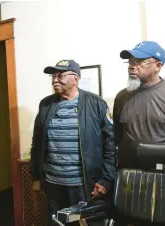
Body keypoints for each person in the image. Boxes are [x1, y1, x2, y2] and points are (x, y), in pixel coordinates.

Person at [30, 60, 116, 226]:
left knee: (80, 223)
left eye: (60, 76)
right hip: (53, 184)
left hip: (83, 185)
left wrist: (106, 180)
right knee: (57, 222)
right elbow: (37, 142)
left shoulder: (96, 103)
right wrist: (36, 176)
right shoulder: (46, 104)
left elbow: (110, 145)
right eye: (53, 77)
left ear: (75, 79)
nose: (55, 80)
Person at [113, 41, 165, 171]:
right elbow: (118, 136)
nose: (132, 66)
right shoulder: (122, 97)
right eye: (130, 62)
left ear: (158, 66)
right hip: (130, 176)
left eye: (139, 62)